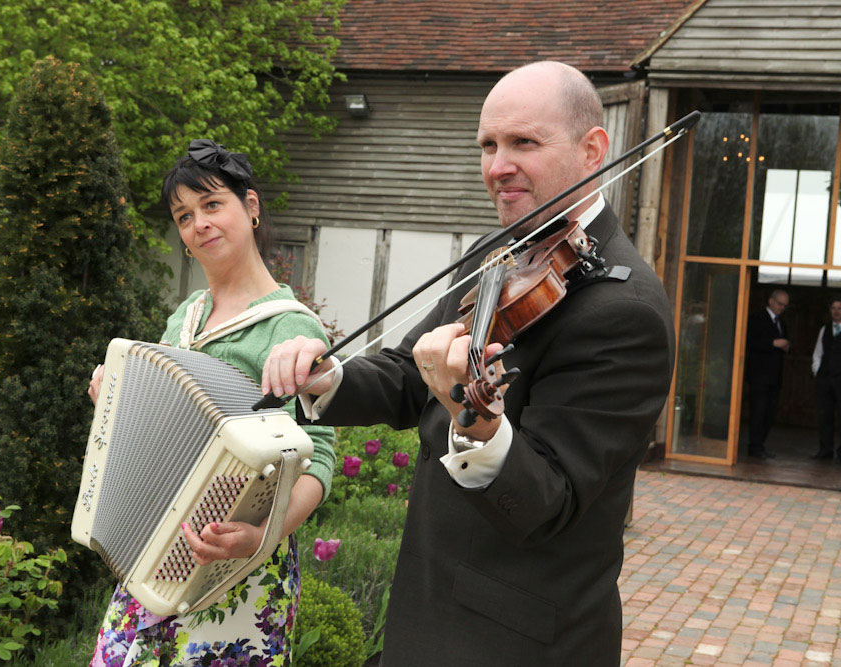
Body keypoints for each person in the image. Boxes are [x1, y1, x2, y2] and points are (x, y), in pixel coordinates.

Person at [262, 61, 675, 665]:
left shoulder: (625, 309)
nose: (497, 166)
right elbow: (411, 372)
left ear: (592, 150)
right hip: (428, 612)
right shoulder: (499, 250)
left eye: (523, 142)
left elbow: (547, 502)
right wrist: (329, 376)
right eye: (488, 145)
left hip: (514, 643)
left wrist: (472, 417)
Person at [86, 140, 335, 667]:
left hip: (237, 570)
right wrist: (114, 402)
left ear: (251, 206)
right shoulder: (186, 318)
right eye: (184, 216)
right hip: (158, 551)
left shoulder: (290, 328)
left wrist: (262, 536)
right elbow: (157, 432)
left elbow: (320, 456)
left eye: (212, 204)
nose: (199, 224)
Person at [745, 289, 790, 459]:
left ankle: (760, 445)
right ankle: (754, 447)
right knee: (758, 411)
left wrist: (786, 346)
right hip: (759, 375)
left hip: (774, 376)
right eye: (780, 304)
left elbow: (785, 344)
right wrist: (772, 343)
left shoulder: (782, 323)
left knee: (769, 413)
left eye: (785, 306)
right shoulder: (756, 318)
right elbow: (749, 341)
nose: (782, 308)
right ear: (771, 301)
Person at [811, 297, 841, 461]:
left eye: (840, 308)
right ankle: (825, 450)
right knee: (825, 416)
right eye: (833, 308)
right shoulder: (825, 329)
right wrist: (817, 371)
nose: (836, 311)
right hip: (825, 380)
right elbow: (818, 353)